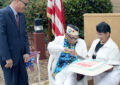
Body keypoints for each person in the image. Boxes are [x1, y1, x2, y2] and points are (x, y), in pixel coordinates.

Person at [0, 0, 30, 85]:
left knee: (24, 82)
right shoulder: (2, 14)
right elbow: (1, 38)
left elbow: (24, 35)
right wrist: (7, 58)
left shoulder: (21, 15)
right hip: (9, 60)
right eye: (25, 4)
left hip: (21, 58)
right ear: (17, 1)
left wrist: (27, 52)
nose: (26, 6)